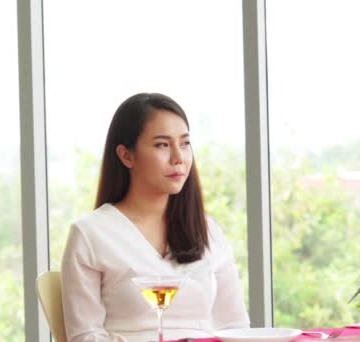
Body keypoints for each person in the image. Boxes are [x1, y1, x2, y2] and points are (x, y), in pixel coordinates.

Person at [61, 93, 250, 342]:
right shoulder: (91, 234)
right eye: (162, 145)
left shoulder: (208, 231)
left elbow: (235, 326)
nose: (178, 158)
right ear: (126, 155)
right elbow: (85, 337)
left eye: (184, 143)